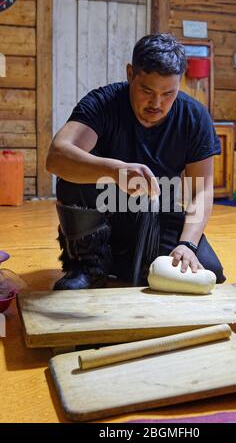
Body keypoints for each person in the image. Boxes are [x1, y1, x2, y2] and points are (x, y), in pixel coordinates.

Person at [46, 33, 226, 290]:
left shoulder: (194, 117)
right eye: (146, 90)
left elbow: (202, 190)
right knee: (75, 172)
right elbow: (56, 158)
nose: (157, 103)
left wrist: (187, 244)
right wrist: (113, 171)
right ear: (131, 74)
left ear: (180, 83)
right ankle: (88, 265)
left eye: (168, 93)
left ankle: (124, 262)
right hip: (103, 214)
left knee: (210, 270)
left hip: (156, 215)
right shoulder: (103, 103)